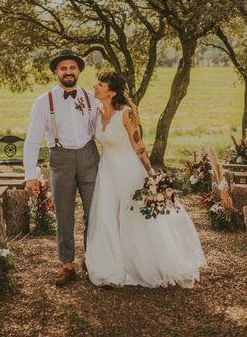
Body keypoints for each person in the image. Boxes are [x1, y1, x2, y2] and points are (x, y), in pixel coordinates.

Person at [85, 71, 206, 288]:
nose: (95, 86)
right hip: (106, 170)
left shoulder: (126, 113)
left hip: (128, 169)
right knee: (105, 215)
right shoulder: (97, 110)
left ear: (111, 92)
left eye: (100, 84)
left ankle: (140, 265)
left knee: (132, 217)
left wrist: (150, 174)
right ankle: (109, 267)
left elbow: (139, 146)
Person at [23, 49, 99, 286]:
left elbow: (103, 130)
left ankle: (94, 259)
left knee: (95, 212)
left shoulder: (90, 98)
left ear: (78, 71)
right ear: (56, 72)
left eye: (72, 68)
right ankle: (67, 264)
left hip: (89, 157)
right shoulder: (43, 102)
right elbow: (33, 140)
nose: (68, 72)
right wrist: (30, 176)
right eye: (63, 68)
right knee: (64, 215)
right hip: (60, 158)